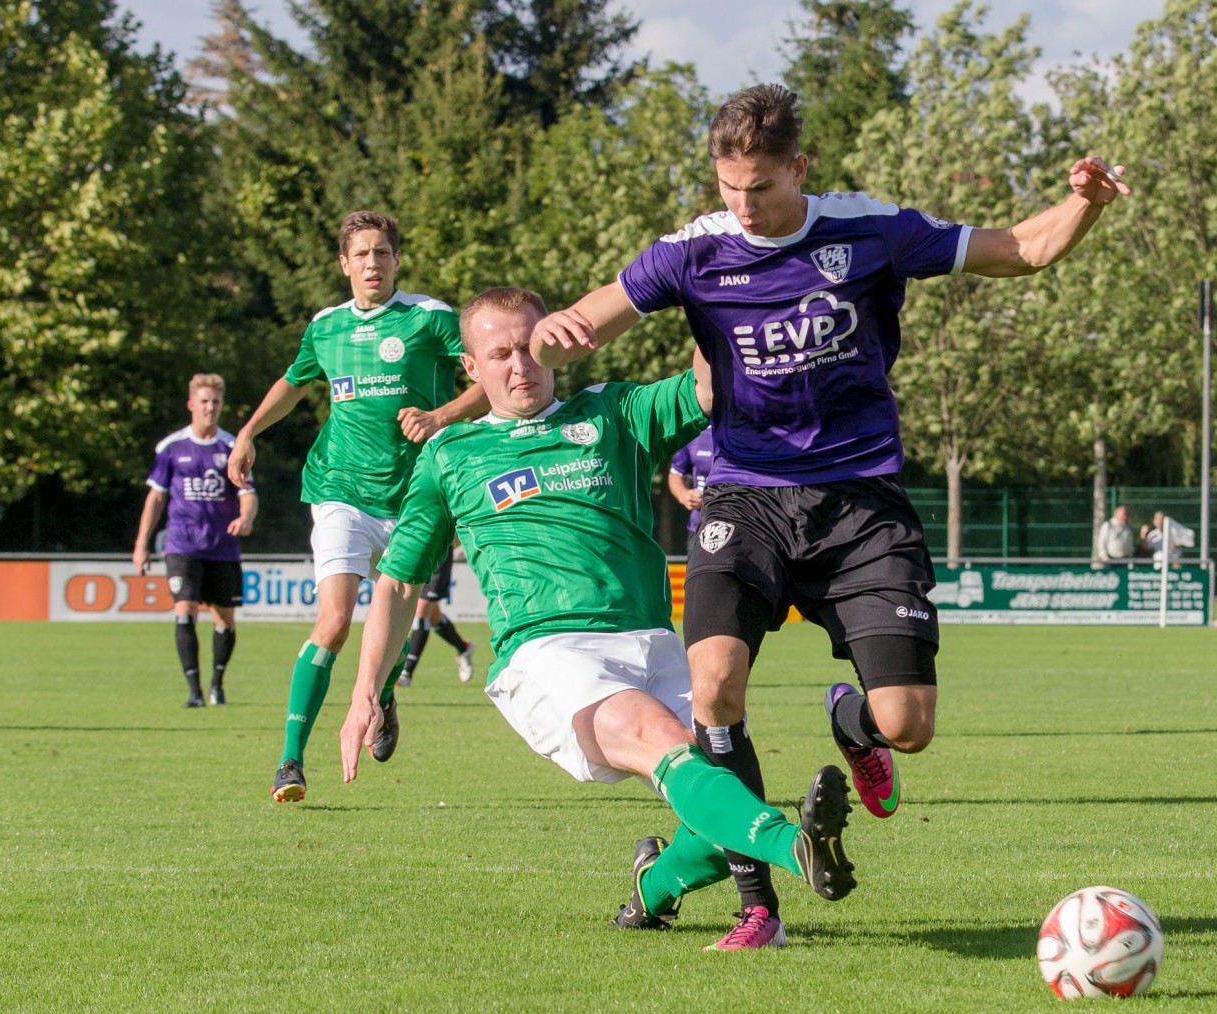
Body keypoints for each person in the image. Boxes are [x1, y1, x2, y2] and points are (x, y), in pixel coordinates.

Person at [527, 83, 1129, 945]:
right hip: (745, 497)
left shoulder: (868, 230)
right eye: (729, 187)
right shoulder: (694, 251)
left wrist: (1082, 202)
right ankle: (758, 905)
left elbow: (1021, 250)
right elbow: (591, 314)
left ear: (799, 168)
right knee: (714, 688)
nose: (744, 205)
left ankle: (852, 720)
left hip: (859, 504)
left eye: (762, 187)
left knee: (907, 727)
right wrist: (561, 330)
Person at [337, 287, 857, 946]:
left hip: (652, 639)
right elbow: (399, 581)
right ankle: (799, 848)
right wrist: (365, 694)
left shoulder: (611, 412)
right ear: (471, 368)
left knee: (715, 804)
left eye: (530, 345)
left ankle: (653, 888)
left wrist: (727, 283)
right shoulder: (451, 454)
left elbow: (707, 385)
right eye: (499, 353)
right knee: (662, 741)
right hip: (547, 652)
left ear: (557, 341)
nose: (519, 363)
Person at [227, 209, 490, 803]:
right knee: (336, 621)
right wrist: (247, 433)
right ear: (344, 265)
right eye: (361, 254)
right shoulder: (326, 327)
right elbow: (294, 383)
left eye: (382, 252)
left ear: (397, 259)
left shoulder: (430, 318)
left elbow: (488, 375)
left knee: (391, 626)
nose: (373, 263)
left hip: (413, 496)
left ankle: (385, 691)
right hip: (339, 490)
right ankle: (290, 762)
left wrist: (442, 415)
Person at [133, 373, 258, 708]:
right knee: (185, 610)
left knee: (225, 619)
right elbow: (155, 499)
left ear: (221, 405)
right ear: (192, 404)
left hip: (222, 546)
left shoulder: (233, 447)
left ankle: (217, 684)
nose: (210, 407)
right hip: (182, 544)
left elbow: (248, 493)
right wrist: (142, 544)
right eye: (204, 401)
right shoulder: (171, 448)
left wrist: (245, 518)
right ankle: (194, 692)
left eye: (215, 402)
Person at [396, 545, 477, 687]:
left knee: (422, 610)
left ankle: (406, 673)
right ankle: (464, 648)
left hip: (439, 553)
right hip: (417, 551)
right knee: (434, 616)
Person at [666, 425, 715, 554]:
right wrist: (684, 494)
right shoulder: (696, 434)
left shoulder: (745, 431)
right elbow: (675, 473)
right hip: (698, 528)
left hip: (738, 526)